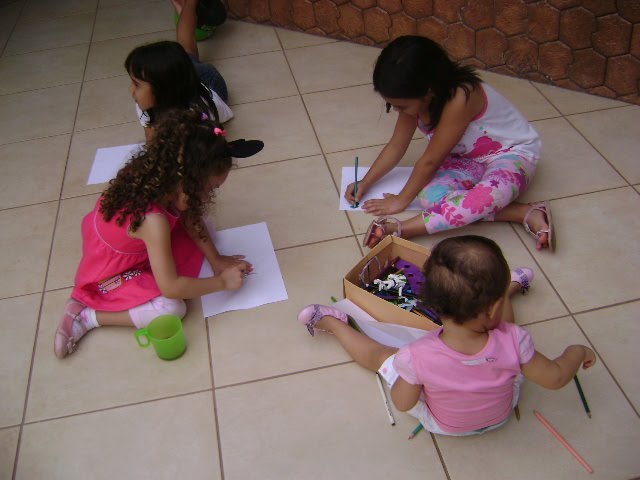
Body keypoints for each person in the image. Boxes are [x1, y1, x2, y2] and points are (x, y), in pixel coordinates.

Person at [298, 236, 595, 435]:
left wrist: (415, 376)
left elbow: (402, 403)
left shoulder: (415, 355)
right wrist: (577, 351)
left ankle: (332, 323)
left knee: (382, 356)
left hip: (445, 425)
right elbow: (556, 377)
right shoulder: (514, 339)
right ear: (493, 308)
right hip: (501, 414)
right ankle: (507, 291)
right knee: (505, 331)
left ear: (431, 305)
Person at [54, 110, 264, 359]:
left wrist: (216, 260)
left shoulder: (158, 176)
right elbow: (172, 287)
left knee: (204, 227)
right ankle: (88, 316)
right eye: (209, 189)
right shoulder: (153, 222)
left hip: (137, 241)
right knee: (171, 308)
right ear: (187, 183)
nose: (209, 196)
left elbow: (190, 217)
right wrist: (222, 282)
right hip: (113, 270)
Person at [345, 36, 554, 252]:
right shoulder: (414, 98)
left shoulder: (462, 96)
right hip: (468, 160)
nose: (398, 110)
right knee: (429, 198)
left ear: (429, 91)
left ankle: (403, 229)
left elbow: (430, 161)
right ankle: (522, 212)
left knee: (482, 198)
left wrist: (401, 200)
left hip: (513, 155)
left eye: (402, 106)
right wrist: (365, 182)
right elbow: (396, 146)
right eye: (392, 105)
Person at [125, 0, 231, 142]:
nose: (131, 89)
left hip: (209, 81)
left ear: (161, 90)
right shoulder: (146, 102)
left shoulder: (197, 113)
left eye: (136, 84)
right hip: (183, 78)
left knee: (187, 54)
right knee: (185, 52)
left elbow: (206, 145)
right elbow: (151, 138)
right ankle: (189, 5)